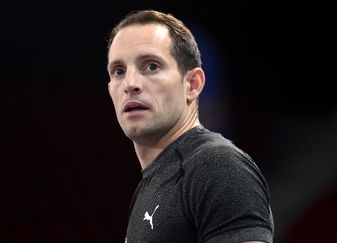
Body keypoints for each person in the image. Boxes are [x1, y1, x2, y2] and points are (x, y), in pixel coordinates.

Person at [106, 10, 274, 243]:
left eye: (152, 66)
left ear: (192, 84)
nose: (130, 84)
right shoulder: (150, 186)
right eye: (119, 71)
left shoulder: (217, 166)